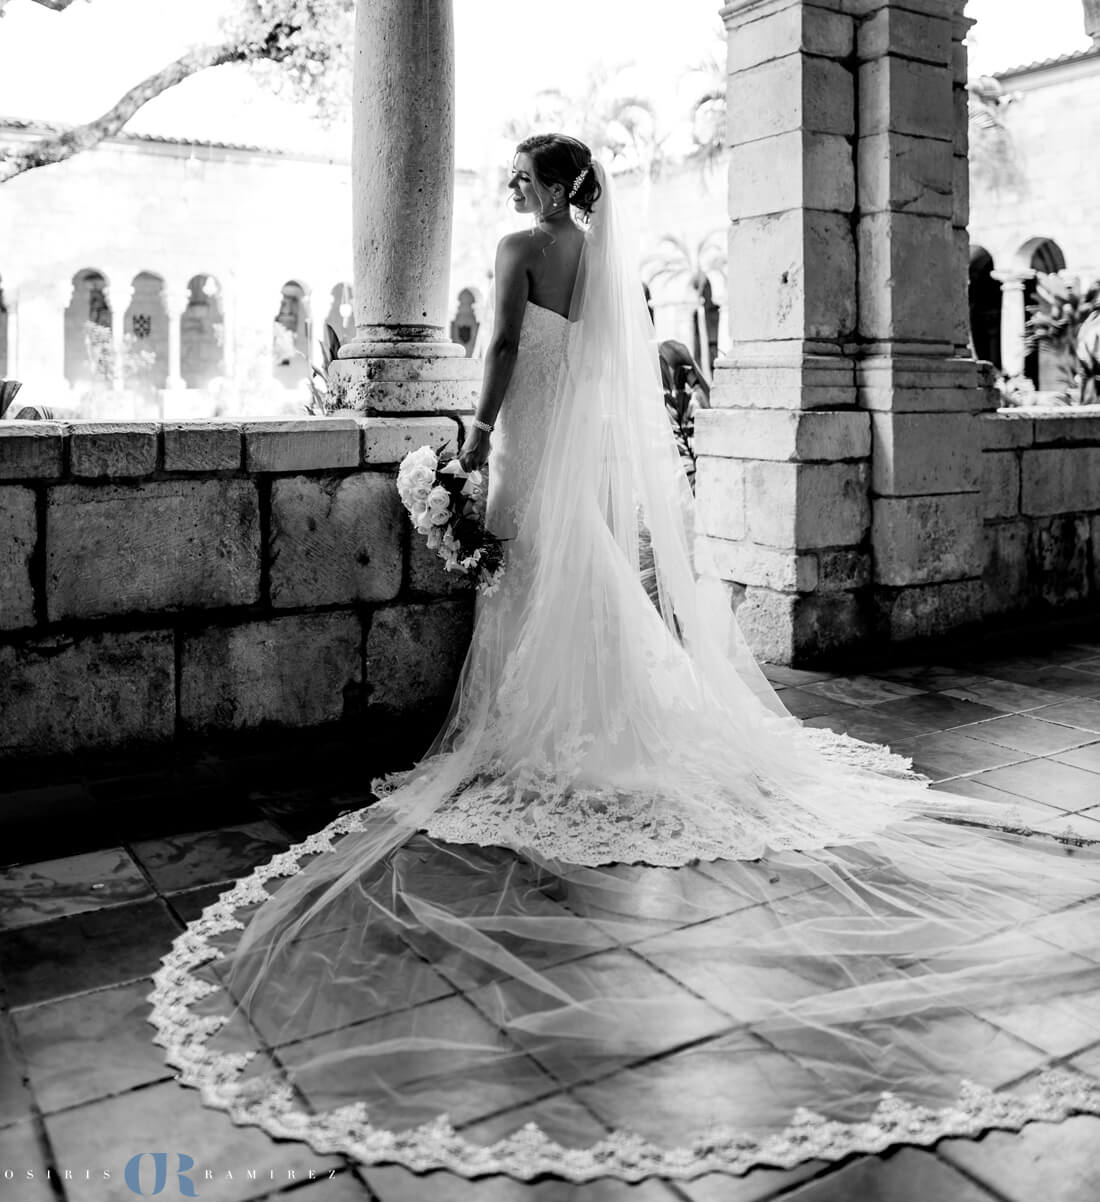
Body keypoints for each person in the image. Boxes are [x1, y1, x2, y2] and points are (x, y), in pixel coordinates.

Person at [149, 135, 1100, 1183]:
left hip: (524, 437)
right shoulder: (602, 260)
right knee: (573, 571)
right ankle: (593, 712)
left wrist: (470, 447)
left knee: (532, 575)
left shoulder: (520, 245)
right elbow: (605, 368)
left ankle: (540, 728)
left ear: (554, 185)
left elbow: (503, 349)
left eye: (521, 171)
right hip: (575, 444)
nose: (509, 183)